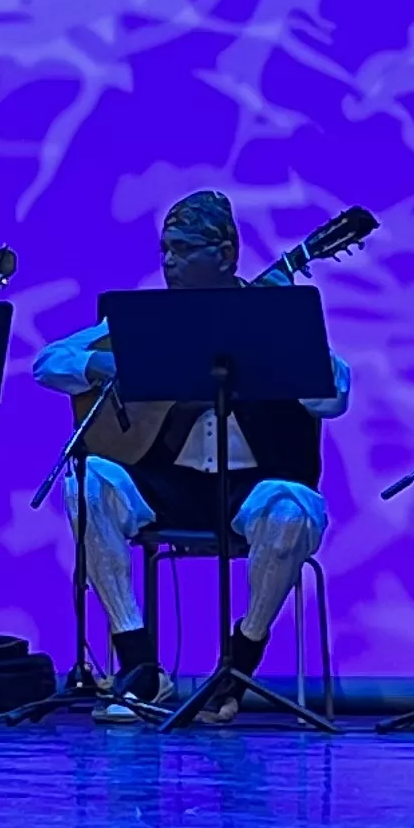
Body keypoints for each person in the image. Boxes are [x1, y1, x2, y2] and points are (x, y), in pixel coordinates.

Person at [33, 191, 347, 724]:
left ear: (225, 254)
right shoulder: (152, 318)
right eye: (165, 250)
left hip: (257, 485)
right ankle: (139, 664)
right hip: (169, 485)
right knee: (85, 483)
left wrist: (291, 346)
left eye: (182, 249)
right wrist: (103, 367)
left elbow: (334, 398)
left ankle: (239, 664)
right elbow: (47, 362)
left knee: (292, 511)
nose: (169, 262)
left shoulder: (275, 319)